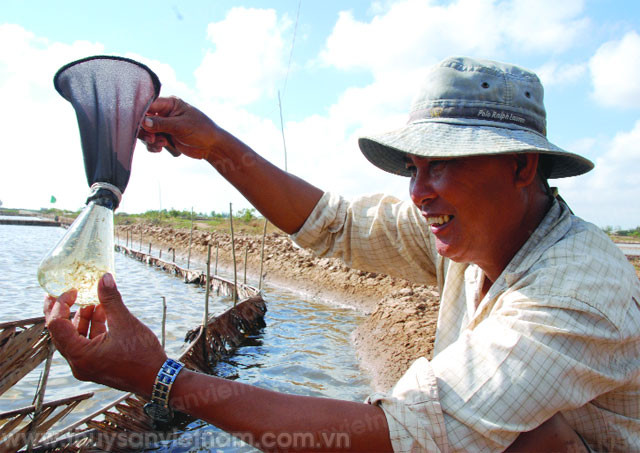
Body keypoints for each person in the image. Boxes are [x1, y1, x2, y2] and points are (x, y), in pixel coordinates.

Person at [44, 57, 640, 452]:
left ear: (521, 165)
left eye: (444, 166)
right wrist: (217, 146)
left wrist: (158, 375)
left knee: (523, 437)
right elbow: (337, 226)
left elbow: (406, 433)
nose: (419, 192)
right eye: (414, 167)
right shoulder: (474, 234)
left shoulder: (575, 292)